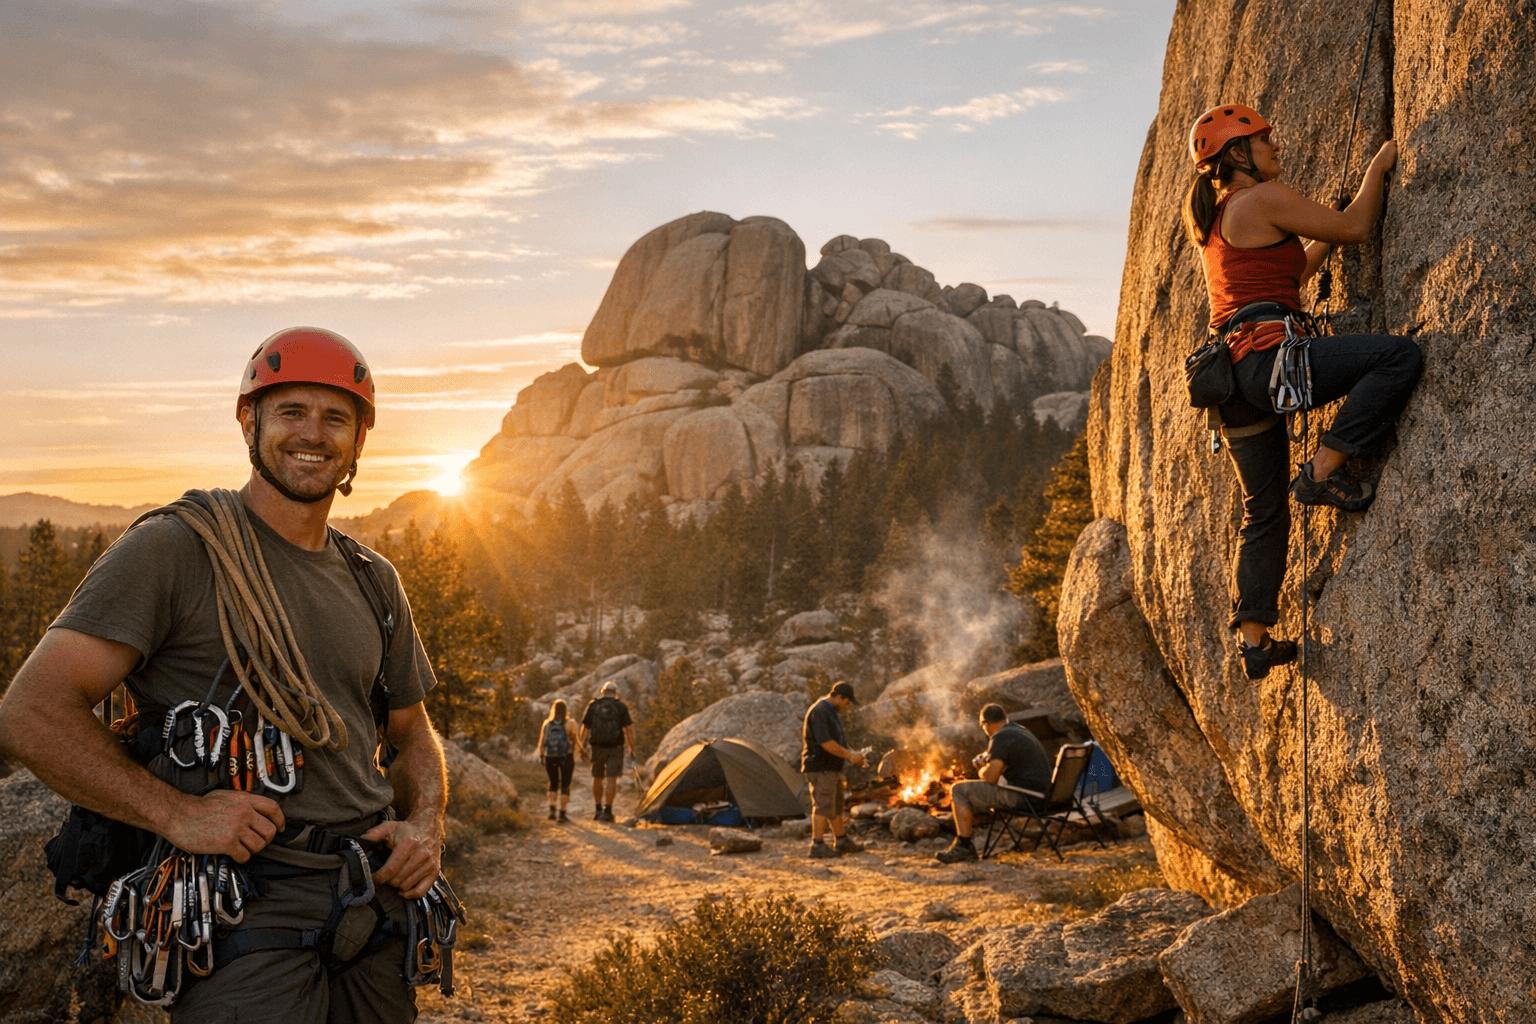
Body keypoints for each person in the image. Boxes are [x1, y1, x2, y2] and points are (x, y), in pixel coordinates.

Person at [0, 327, 447, 1022]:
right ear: (249, 419)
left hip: (369, 899)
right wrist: (176, 814)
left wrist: (426, 823)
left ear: (359, 440)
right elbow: (31, 710)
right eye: (291, 411)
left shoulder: (373, 580)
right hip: (244, 905)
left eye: (336, 417)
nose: (314, 434)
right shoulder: (175, 550)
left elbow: (412, 731)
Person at [1184, 104, 1424, 679]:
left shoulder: (1218, 220)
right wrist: (1377, 171)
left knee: (1262, 512)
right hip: (1270, 362)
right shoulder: (1261, 199)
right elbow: (1359, 227)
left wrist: (1328, 231)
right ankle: (1322, 472)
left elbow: (1289, 277)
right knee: (1397, 357)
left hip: (1231, 380)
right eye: (1264, 141)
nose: (1276, 147)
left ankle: (1253, 638)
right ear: (1236, 156)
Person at [935, 704, 1052, 864]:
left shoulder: (1000, 737)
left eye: (983, 726)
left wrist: (981, 768)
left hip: (1025, 798)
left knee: (959, 790)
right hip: (1046, 795)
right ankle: (965, 843)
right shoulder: (1019, 730)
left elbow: (991, 778)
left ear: (986, 724)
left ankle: (964, 846)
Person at [799, 680, 868, 859]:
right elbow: (826, 743)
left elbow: (838, 743)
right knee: (823, 805)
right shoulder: (820, 711)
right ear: (838, 697)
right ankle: (817, 845)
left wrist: (855, 755)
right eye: (846, 702)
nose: (846, 706)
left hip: (831, 768)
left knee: (835, 805)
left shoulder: (830, 712)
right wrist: (849, 756)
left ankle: (842, 840)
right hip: (820, 767)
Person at [578, 679, 635, 822]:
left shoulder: (594, 705)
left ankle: (598, 810)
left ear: (602, 692)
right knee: (611, 779)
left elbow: (585, 728)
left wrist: (581, 747)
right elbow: (629, 730)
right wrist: (632, 747)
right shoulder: (621, 706)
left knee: (597, 778)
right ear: (615, 693)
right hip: (615, 747)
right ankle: (608, 811)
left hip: (597, 747)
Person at [539, 699, 576, 822]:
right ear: (565, 710)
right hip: (566, 756)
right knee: (565, 785)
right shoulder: (570, 723)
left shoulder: (547, 724)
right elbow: (575, 741)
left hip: (550, 756)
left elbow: (542, 743)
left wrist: (542, 756)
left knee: (553, 783)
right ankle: (563, 813)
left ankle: (552, 810)